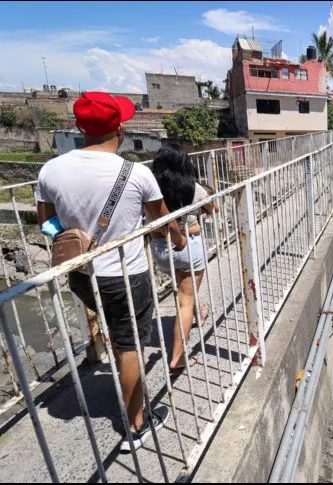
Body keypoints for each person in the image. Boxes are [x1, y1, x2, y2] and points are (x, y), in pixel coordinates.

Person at [35, 91, 187, 453]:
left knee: (112, 328)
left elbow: (47, 224)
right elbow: (162, 221)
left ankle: (119, 369)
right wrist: (180, 238)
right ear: (119, 127)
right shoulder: (135, 173)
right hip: (126, 274)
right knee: (130, 342)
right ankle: (137, 426)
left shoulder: (51, 169)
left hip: (81, 272)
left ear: (79, 127)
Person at [148, 144, 218, 375]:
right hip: (189, 245)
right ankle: (177, 358)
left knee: (183, 289)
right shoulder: (193, 188)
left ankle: (200, 312)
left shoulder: (150, 189)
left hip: (161, 250)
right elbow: (213, 207)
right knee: (185, 300)